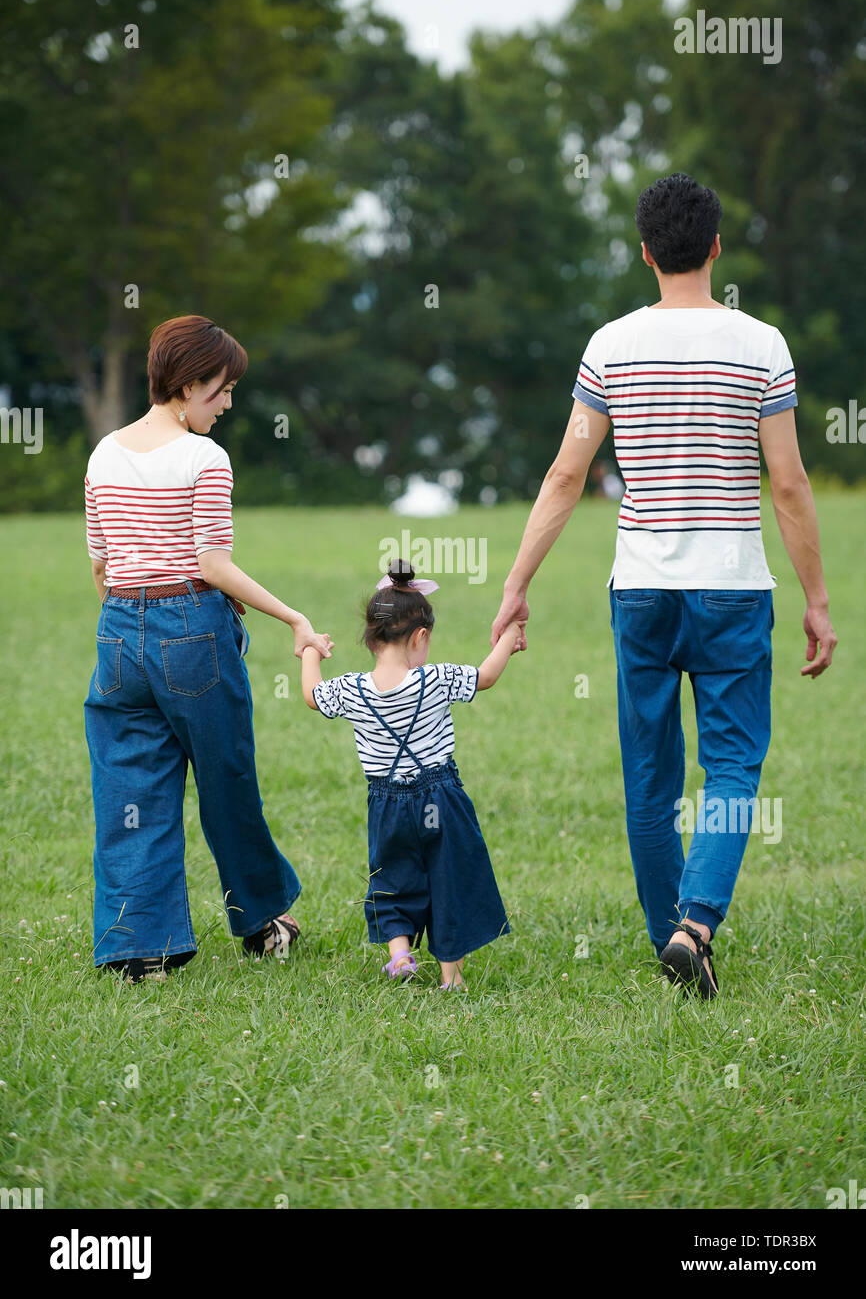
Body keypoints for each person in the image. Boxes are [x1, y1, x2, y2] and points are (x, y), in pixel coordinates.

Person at [491, 173, 837, 999]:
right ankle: (696, 925)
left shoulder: (609, 347)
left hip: (640, 589)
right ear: (716, 247)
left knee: (649, 779)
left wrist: (515, 584)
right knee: (731, 768)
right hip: (733, 590)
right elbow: (786, 484)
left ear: (644, 253)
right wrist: (818, 600)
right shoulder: (763, 345)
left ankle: (673, 945)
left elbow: (568, 474)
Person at [83, 314, 333, 983]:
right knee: (226, 779)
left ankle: (139, 951)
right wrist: (292, 617)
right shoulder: (204, 458)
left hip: (118, 633)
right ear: (191, 384)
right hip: (192, 630)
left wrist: (130, 622)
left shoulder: (103, 453)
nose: (227, 403)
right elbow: (212, 563)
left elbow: (102, 565)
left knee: (130, 787)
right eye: (222, 389)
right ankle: (260, 924)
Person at [301, 559, 519, 989]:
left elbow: (311, 696)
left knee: (391, 876)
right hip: (440, 797)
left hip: (386, 803)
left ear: (371, 638)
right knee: (448, 878)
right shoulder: (435, 680)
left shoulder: (351, 689)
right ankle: (450, 978)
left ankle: (400, 957)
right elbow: (487, 675)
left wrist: (310, 649)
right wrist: (510, 635)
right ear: (420, 637)